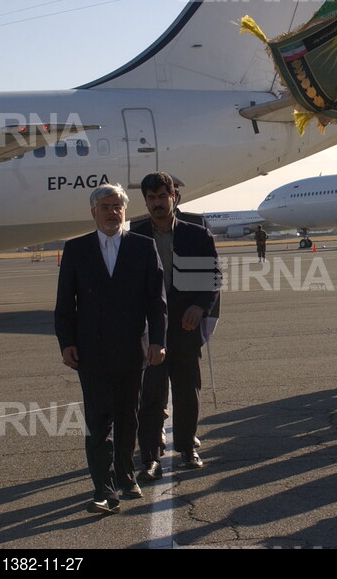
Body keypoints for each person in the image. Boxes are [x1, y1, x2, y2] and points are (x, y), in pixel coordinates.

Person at [54, 184, 167, 515]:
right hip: (91, 353)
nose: (112, 211)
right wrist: (67, 343)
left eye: (117, 206)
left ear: (125, 210)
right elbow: (65, 305)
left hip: (133, 350)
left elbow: (156, 302)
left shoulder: (143, 247)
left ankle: (126, 474)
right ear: (93, 212)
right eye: (105, 206)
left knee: (127, 418)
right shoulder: (77, 249)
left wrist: (158, 341)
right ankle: (103, 489)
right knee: (98, 422)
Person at [133, 172, 220, 476]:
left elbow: (212, 279)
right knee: (151, 393)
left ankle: (186, 447)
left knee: (187, 389)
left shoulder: (197, 234)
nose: (157, 203)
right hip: (151, 330)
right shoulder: (135, 235)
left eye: (162, 196)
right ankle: (150, 456)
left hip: (185, 325)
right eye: (151, 198)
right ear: (145, 201)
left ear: (175, 197)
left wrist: (200, 306)